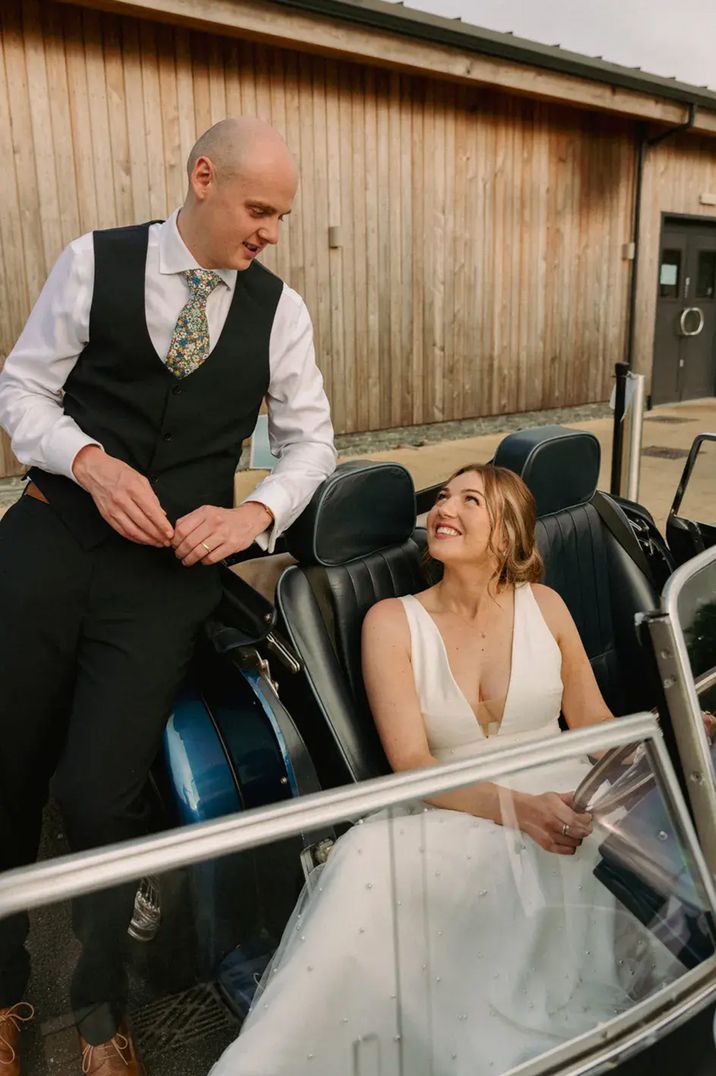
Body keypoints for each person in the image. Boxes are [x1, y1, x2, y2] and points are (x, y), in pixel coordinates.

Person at [0, 117, 335, 1075]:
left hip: (165, 580)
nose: (271, 230)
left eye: (281, 215)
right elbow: (22, 392)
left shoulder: (281, 310)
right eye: (259, 209)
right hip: (49, 542)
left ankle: (99, 1005)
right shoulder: (90, 263)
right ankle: (2, 989)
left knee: (100, 798)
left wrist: (253, 516)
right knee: (4, 771)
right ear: (202, 177)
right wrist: (91, 463)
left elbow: (312, 443)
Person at [210, 463, 678, 1076]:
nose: (443, 511)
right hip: (444, 800)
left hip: (561, 787)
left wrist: (668, 742)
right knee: (373, 890)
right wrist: (517, 810)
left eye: (470, 500)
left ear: (507, 534)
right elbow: (412, 764)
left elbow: (591, 719)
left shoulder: (547, 605)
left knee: (635, 856)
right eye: (444, 498)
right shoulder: (390, 621)